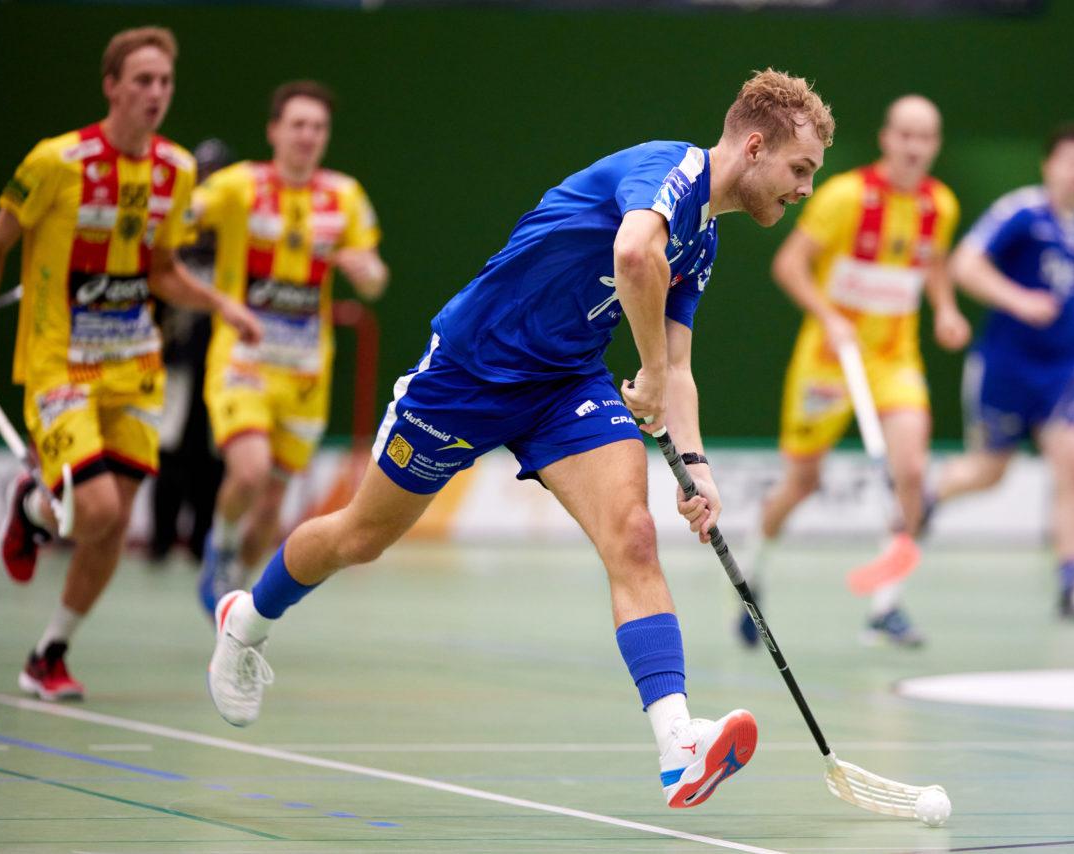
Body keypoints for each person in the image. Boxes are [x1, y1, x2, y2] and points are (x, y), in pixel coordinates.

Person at [205, 68, 834, 809]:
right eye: (801, 169)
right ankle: (245, 619)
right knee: (360, 537)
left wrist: (694, 466)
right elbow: (634, 257)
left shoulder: (703, 244)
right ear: (755, 146)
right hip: (468, 373)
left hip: (564, 384)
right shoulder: (666, 171)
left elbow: (680, 368)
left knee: (633, 536)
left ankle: (678, 746)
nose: (804, 190)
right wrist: (654, 375)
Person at [0, 26, 260, 701]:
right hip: (61, 363)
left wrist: (219, 302)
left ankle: (49, 652)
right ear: (111, 86)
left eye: (164, 82)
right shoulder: (57, 161)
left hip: (133, 366)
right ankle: (31, 506)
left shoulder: (176, 170)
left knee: (113, 524)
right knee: (97, 508)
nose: (155, 94)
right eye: (142, 80)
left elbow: (161, 271)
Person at [738, 95, 969, 648]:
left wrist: (947, 308)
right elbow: (788, 264)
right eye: (906, 134)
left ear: (935, 145)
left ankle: (885, 607)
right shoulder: (845, 197)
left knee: (911, 470)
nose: (915, 147)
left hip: (894, 360)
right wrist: (828, 317)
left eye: (927, 137)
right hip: (829, 363)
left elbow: (931, 260)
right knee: (802, 482)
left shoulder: (941, 205)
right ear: (887, 138)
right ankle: (752, 575)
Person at [192, 81, 387, 617]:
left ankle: (236, 585)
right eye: (297, 125)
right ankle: (219, 547)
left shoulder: (344, 196)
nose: (308, 136)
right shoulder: (237, 186)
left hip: (305, 372)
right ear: (274, 130)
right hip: (243, 359)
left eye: (318, 127)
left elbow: (374, 278)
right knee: (248, 473)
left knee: (273, 503)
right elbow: (179, 218)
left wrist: (365, 270)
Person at [927, 121, 1074, 619]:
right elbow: (965, 265)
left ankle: (1072, 583)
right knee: (991, 471)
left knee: (1073, 466)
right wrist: (1019, 300)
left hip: (1062, 371)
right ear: (1049, 164)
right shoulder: (1021, 212)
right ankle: (930, 493)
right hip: (1006, 367)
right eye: (1072, 163)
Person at [151, 138, 232, 563]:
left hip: (223, 356)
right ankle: (160, 539)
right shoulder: (173, 228)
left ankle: (203, 540)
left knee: (214, 450)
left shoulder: (238, 228)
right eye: (203, 173)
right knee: (169, 442)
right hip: (177, 354)